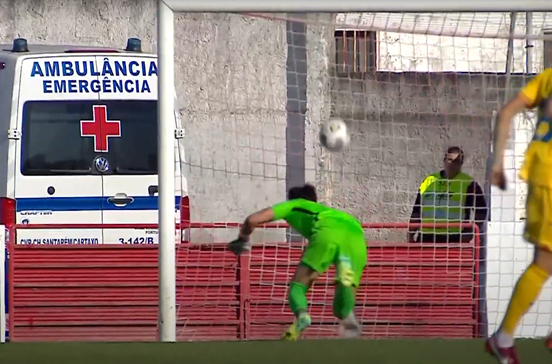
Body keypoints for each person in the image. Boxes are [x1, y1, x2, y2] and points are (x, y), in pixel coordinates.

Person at [227, 183, 367, 341]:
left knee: (297, 288)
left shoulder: (294, 205)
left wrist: (243, 239)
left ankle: (302, 316)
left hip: (327, 232)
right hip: (357, 236)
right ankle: (345, 281)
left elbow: (252, 220)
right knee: (341, 311)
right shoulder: (331, 211)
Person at [486, 69, 552, 363]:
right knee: (544, 261)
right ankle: (503, 338)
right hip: (550, 179)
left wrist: (498, 161)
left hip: (541, 174)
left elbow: (505, 113)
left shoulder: (549, 76)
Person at [408, 146, 488, 244]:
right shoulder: (429, 181)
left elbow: (481, 211)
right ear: (444, 160)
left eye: (457, 161)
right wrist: (411, 233)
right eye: (450, 160)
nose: (452, 164)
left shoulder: (468, 184)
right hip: (427, 237)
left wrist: (470, 233)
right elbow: (417, 210)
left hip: (454, 239)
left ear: (461, 164)